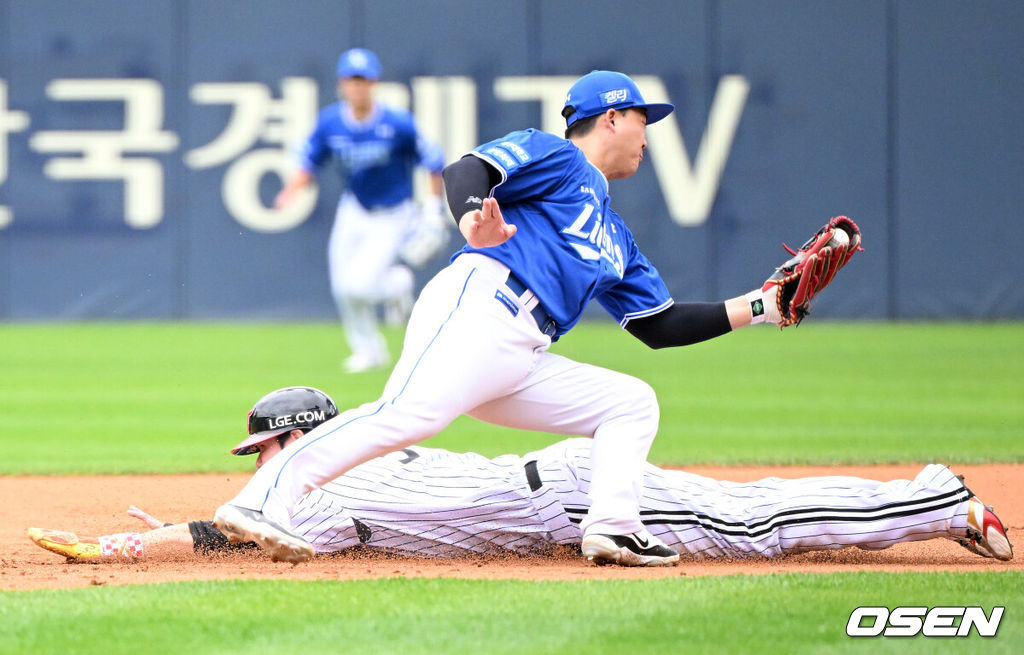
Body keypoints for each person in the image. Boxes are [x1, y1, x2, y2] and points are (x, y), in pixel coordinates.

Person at [212, 70, 825, 567]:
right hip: (482, 303)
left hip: (520, 352)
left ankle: (613, 530)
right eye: (643, 119)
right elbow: (465, 172)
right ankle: (260, 499)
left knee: (630, 403)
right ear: (611, 116)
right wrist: (473, 215)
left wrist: (763, 306)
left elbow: (658, 325)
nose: (648, 134)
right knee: (405, 416)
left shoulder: (616, 236)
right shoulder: (557, 156)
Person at [29, 387, 1014, 564]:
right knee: (747, 522)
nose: (266, 465)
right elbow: (239, 523)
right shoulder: (334, 472)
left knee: (752, 522)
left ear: (307, 436)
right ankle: (929, 503)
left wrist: (125, 542)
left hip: (572, 490)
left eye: (270, 447)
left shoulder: (332, 480)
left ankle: (933, 497)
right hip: (558, 495)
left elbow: (226, 533)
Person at [275, 48, 448, 373]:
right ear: (342, 84)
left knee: (359, 286)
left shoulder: (396, 123)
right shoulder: (331, 122)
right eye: (352, 80)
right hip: (354, 207)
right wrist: (291, 191)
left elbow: (434, 161)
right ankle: (369, 350)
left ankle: (398, 283)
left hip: (393, 211)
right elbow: (310, 160)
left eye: (364, 80)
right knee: (342, 288)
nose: (358, 87)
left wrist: (434, 209)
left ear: (375, 83)